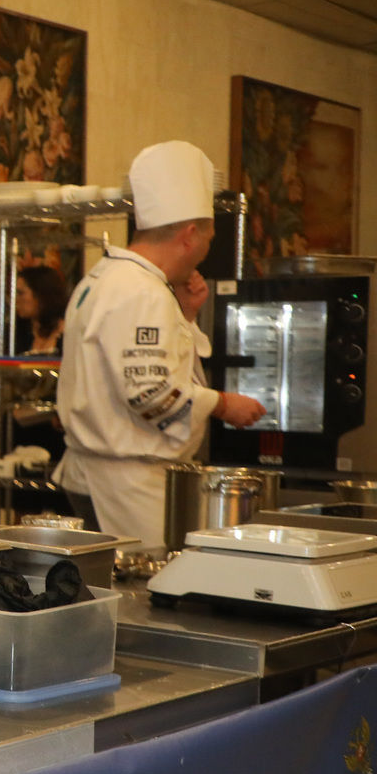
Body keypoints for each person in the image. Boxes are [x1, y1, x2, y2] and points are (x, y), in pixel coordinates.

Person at [55, 141, 267, 548]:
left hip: (97, 473)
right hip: (128, 485)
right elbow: (152, 396)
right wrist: (224, 404)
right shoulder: (142, 292)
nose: (207, 249)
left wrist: (184, 315)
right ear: (189, 235)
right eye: (208, 238)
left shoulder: (106, 276)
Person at [3, 264, 68, 513]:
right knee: (22, 500)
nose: (16, 300)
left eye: (21, 293)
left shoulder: (67, 330)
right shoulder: (17, 331)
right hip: (21, 427)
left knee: (56, 499)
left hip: (55, 428)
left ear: (41, 294)